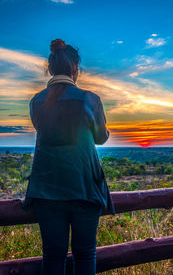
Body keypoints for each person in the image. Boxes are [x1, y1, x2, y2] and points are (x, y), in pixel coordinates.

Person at [21, 38, 116, 275]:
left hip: (46, 188)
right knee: (85, 255)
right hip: (84, 186)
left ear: (50, 69)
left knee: (52, 256)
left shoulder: (36, 102)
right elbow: (100, 137)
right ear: (75, 68)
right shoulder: (89, 99)